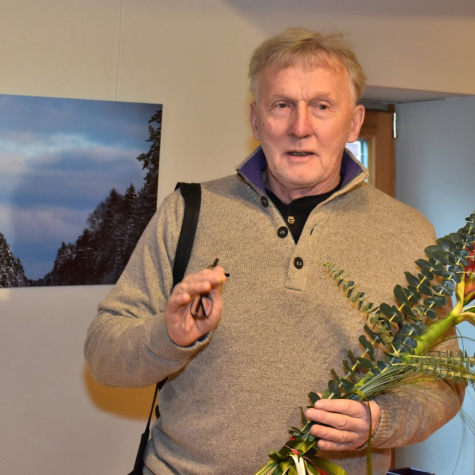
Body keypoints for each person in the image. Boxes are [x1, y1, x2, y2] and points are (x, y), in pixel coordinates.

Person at [84, 27, 464, 474]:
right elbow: (102, 354)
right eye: (281, 105)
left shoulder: (409, 233)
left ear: (354, 122)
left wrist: (381, 421)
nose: (300, 128)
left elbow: (443, 379)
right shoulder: (188, 212)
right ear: (255, 120)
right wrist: (167, 337)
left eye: (322, 106)